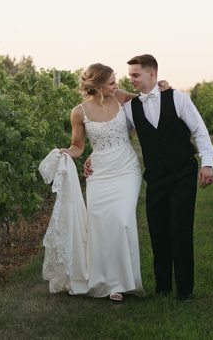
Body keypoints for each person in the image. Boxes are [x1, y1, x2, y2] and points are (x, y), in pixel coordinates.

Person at [88, 54, 213, 301]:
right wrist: (95, 156)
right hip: (155, 178)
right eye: (129, 76)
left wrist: (207, 164)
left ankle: (185, 291)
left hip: (182, 173)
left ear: (152, 74)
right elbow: (113, 136)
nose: (131, 80)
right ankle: (163, 288)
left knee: (180, 230)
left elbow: (200, 131)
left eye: (135, 75)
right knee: (158, 232)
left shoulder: (177, 98)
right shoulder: (129, 108)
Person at [56, 63, 153, 301]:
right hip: (99, 173)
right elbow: (78, 146)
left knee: (122, 220)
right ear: (98, 86)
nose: (115, 85)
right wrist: (68, 153)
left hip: (126, 169)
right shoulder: (79, 112)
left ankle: (124, 281)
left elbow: (148, 98)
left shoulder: (121, 98)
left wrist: (162, 86)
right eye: (111, 82)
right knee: (99, 224)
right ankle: (108, 284)